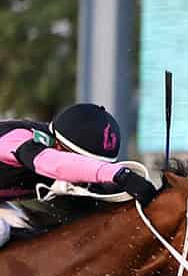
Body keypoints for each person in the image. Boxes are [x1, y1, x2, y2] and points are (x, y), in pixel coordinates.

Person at [0, 102, 156, 246]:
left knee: (28, 232)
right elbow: (54, 163)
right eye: (83, 162)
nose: (81, 173)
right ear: (61, 146)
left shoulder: (56, 146)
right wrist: (120, 174)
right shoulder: (19, 139)